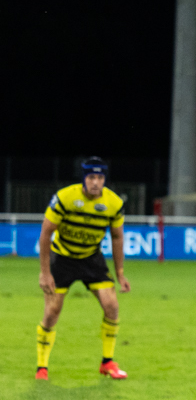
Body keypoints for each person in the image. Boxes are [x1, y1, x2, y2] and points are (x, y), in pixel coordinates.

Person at [36, 158, 131, 381]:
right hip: (63, 259)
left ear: (104, 180)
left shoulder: (114, 203)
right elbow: (45, 234)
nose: (96, 182)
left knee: (112, 306)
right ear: (84, 179)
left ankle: (107, 362)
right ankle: (42, 366)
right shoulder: (65, 198)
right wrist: (45, 272)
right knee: (51, 313)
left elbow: (117, 237)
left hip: (91, 259)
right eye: (91, 177)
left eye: (100, 178)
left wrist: (119, 273)